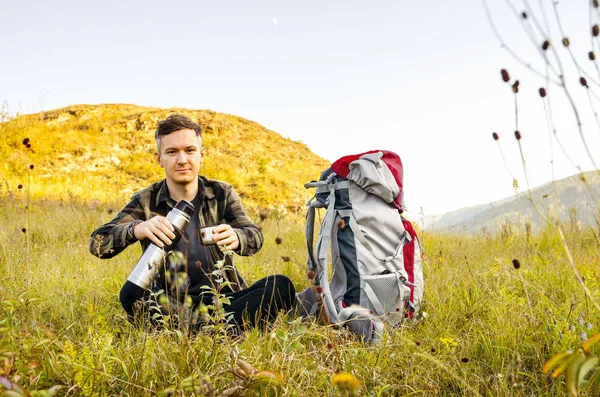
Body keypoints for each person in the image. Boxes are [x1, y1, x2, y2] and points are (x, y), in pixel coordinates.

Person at [88, 114, 296, 332]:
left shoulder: (221, 193)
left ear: (201, 155)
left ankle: (200, 331)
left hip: (223, 300)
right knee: (130, 294)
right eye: (172, 152)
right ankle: (221, 330)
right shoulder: (146, 200)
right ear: (159, 159)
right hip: (169, 304)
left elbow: (254, 235)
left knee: (280, 285)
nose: (182, 159)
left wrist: (237, 237)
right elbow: (97, 243)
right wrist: (136, 229)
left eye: (189, 150)